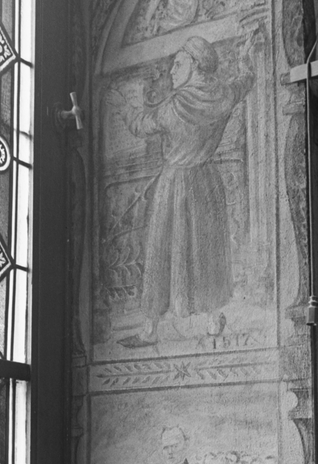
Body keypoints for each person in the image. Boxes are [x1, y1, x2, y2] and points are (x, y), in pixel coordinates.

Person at [109, 34, 256, 346]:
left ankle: (150, 329)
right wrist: (245, 59)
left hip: (174, 183)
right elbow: (244, 82)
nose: (172, 71)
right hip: (206, 182)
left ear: (196, 65)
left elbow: (141, 124)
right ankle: (213, 320)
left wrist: (122, 106)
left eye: (178, 64)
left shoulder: (174, 107)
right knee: (206, 250)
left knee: (161, 250)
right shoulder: (222, 96)